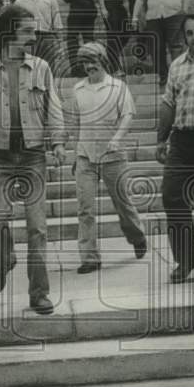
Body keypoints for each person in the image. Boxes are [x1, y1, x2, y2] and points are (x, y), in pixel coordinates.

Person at [0, 4, 68, 315]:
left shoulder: (40, 68)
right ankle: (3, 259)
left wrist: (59, 142)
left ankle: (39, 293)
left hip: (33, 156)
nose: (33, 37)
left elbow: (54, 107)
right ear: (9, 32)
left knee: (37, 228)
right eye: (27, 31)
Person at [69, 42, 147, 273]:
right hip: (86, 157)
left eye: (93, 61)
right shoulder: (78, 89)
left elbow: (128, 115)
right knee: (85, 208)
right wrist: (75, 153)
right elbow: (75, 123)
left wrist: (118, 137)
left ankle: (137, 237)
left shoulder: (118, 87)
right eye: (85, 62)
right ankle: (90, 257)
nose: (89, 66)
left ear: (103, 61)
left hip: (113, 157)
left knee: (123, 203)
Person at [156, 13, 194, 283]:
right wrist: (160, 139)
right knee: (172, 197)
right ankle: (187, 258)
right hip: (181, 140)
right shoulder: (177, 65)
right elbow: (169, 104)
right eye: (190, 33)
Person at [133, 0, 194, 84]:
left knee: (176, 47)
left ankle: (177, 76)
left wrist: (184, 9)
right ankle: (163, 76)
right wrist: (134, 17)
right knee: (156, 48)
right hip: (153, 19)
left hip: (174, 16)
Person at [15, 0, 64, 70]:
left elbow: (57, 23)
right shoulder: (19, 2)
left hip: (47, 37)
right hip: (29, 38)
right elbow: (16, 26)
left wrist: (60, 46)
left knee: (49, 69)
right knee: (30, 69)